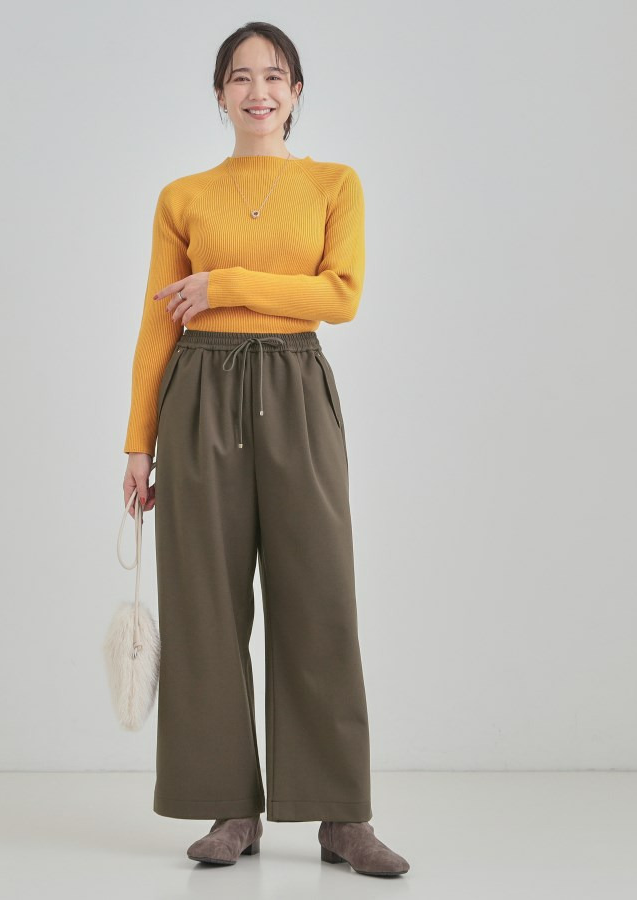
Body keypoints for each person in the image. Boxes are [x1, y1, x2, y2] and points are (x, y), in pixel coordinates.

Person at [121, 21, 410, 877]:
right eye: (241, 77)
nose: (259, 91)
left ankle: (341, 816)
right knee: (204, 604)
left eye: (275, 76)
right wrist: (137, 443)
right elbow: (156, 321)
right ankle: (231, 810)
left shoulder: (333, 183)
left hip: (294, 385)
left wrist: (226, 284)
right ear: (220, 94)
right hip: (198, 392)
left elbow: (340, 296)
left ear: (296, 91)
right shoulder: (184, 196)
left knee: (320, 596)